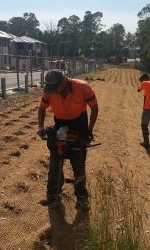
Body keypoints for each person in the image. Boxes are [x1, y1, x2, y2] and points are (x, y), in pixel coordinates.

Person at [37, 70, 98, 210]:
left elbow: (94, 108)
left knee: (78, 163)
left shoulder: (82, 87)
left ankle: (81, 195)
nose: (53, 92)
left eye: (55, 89)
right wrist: (40, 127)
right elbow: (41, 108)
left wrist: (89, 131)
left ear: (63, 82)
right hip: (59, 124)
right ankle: (53, 193)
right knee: (55, 162)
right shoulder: (50, 91)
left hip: (79, 124)